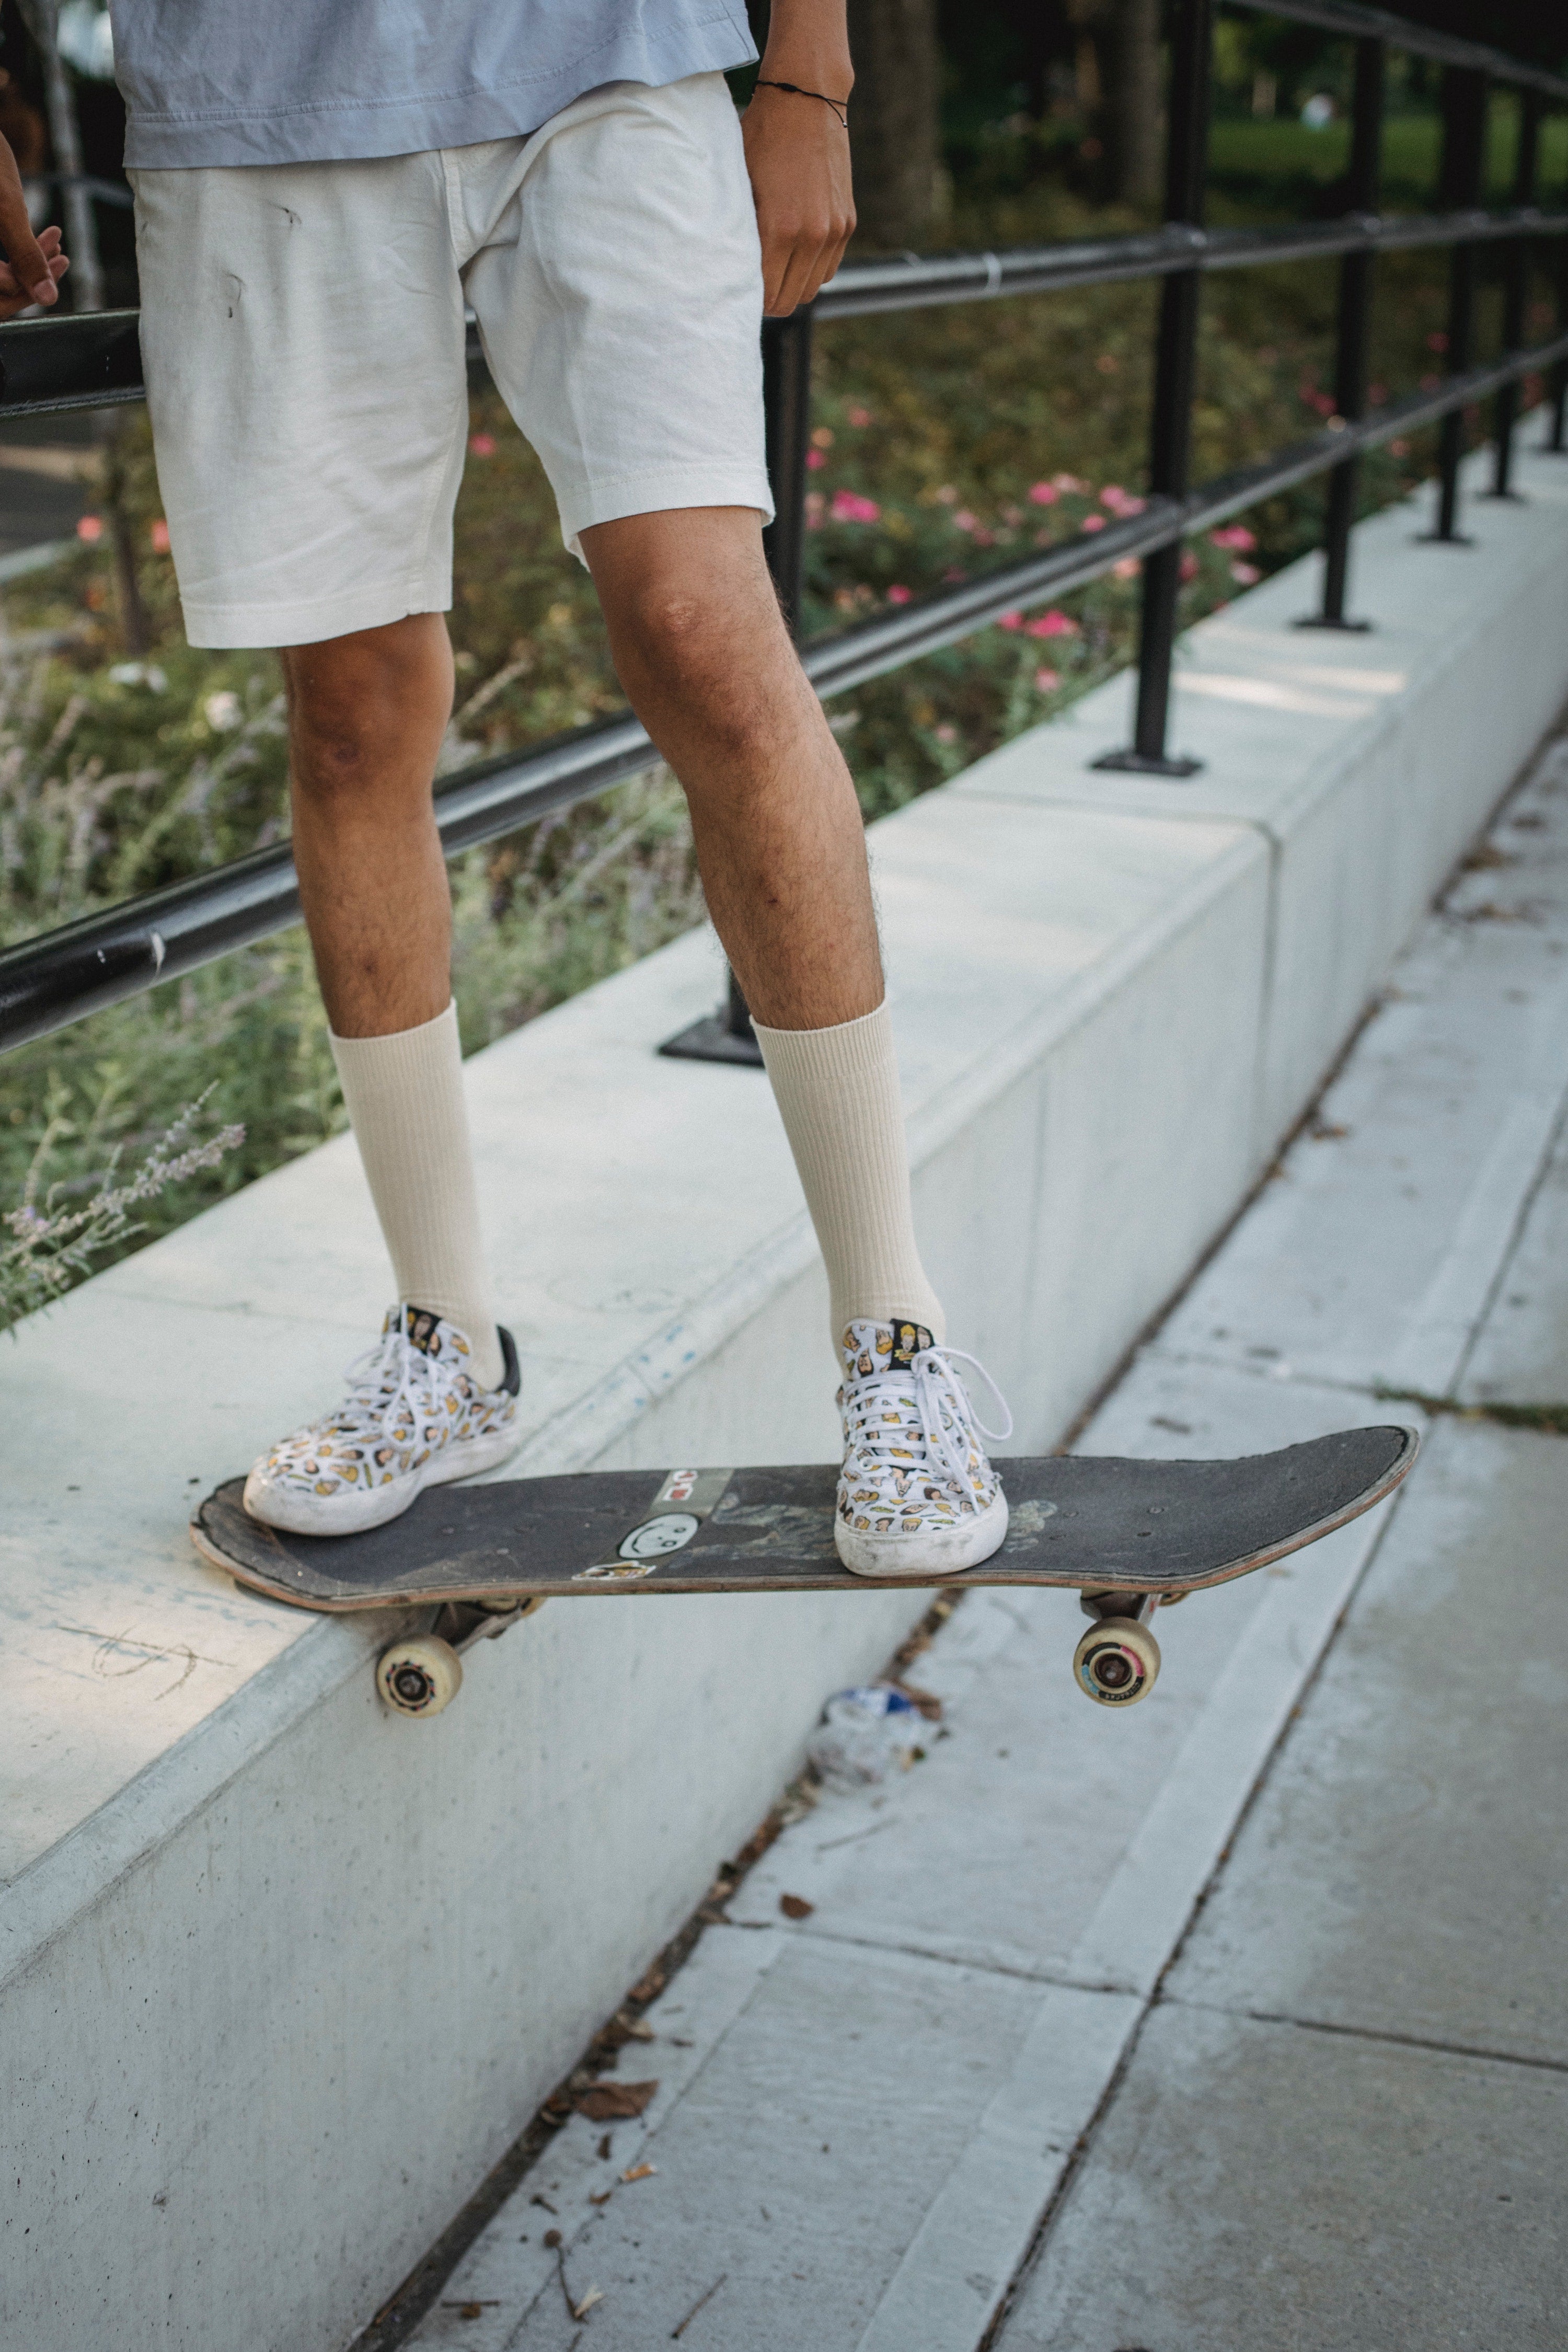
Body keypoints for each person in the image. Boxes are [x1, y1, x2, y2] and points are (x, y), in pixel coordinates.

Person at [20, 0, 1013, 1575]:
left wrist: (813, 67)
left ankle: (894, 1337)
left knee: (704, 633)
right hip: (248, 94)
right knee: (349, 719)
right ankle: (446, 1341)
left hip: (606, 51)